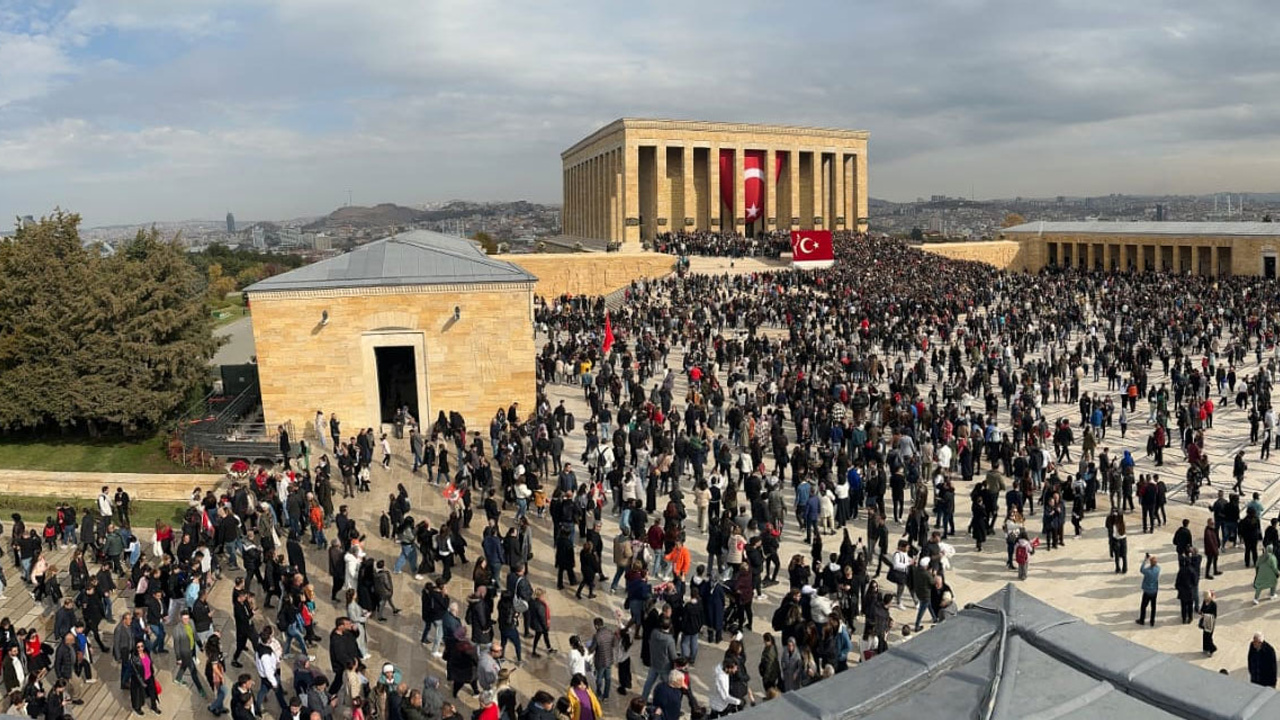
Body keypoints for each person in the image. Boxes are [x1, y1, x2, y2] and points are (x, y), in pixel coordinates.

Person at [1136, 554, 1159, 627]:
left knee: (1143, 606)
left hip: (1147, 591)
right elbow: (1156, 565)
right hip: (1154, 590)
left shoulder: (1147, 571)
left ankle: (1142, 620)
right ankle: (1152, 621)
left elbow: (1141, 569)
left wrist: (1145, 560)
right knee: (1153, 607)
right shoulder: (1158, 569)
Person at [1200, 591, 1218, 657]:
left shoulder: (1213, 604)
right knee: (1205, 635)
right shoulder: (1204, 602)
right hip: (1205, 620)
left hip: (1210, 622)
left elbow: (1214, 615)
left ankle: (1212, 649)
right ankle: (1205, 648)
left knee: (1209, 637)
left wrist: (1206, 615)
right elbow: (1202, 609)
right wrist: (1201, 613)